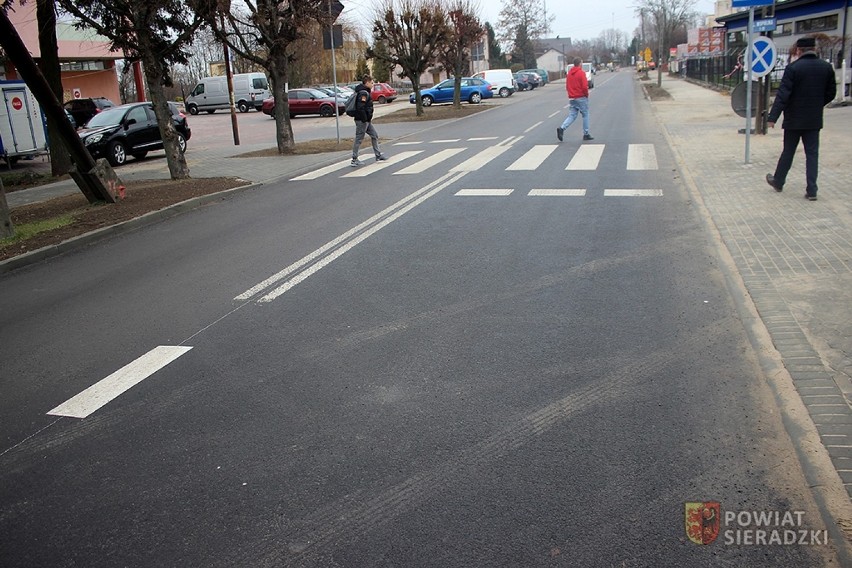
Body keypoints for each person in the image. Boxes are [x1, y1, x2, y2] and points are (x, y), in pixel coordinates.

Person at [765, 36, 836, 201]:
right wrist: (818, 103)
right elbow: (831, 93)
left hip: (793, 119)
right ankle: (812, 190)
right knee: (812, 154)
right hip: (813, 119)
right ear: (815, 49)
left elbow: (783, 95)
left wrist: (772, 117)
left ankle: (778, 181)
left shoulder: (793, 68)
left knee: (788, 151)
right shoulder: (826, 68)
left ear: (798, 50)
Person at [351, 74, 387, 167]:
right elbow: (360, 107)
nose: (373, 84)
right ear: (366, 83)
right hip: (362, 120)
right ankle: (354, 159)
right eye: (371, 83)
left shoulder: (365, 91)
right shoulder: (363, 93)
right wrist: (364, 119)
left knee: (374, 135)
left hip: (367, 120)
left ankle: (378, 155)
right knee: (359, 138)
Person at [557, 58, 593, 142]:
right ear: (580, 64)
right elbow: (584, 86)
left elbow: (567, 86)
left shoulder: (569, 74)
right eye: (582, 63)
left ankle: (562, 128)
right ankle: (586, 133)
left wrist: (570, 94)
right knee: (585, 114)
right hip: (581, 97)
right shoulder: (581, 73)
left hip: (572, 98)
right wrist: (586, 95)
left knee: (572, 115)